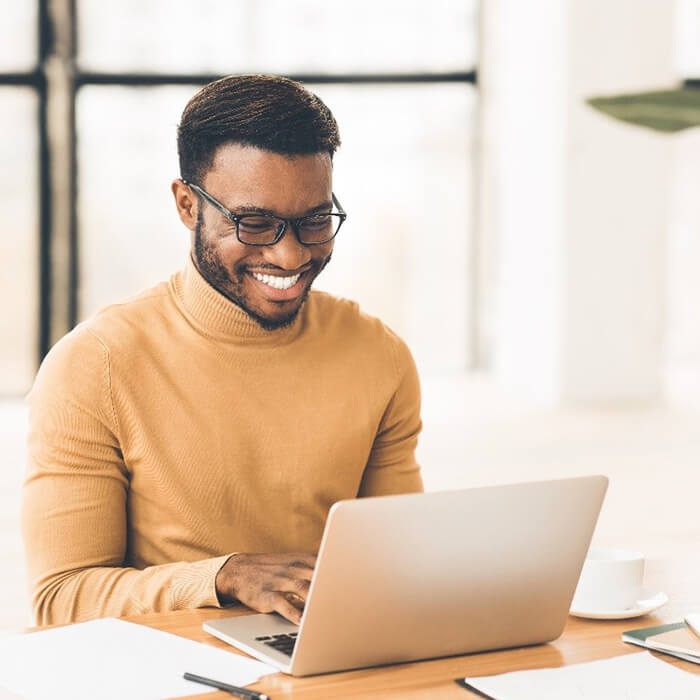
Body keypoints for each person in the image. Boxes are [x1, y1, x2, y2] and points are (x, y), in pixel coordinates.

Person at [22, 74, 423, 627]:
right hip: (168, 666)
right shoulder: (95, 365)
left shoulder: (379, 355)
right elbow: (62, 599)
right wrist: (224, 576)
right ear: (188, 205)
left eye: (313, 221)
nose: (288, 256)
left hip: (329, 654)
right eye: (254, 224)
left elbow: (401, 560)